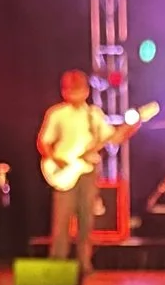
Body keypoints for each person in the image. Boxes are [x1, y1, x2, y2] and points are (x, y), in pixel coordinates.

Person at [36, 71, 110, 272]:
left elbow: (111, 137)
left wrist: (131, 127)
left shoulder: (94, 115)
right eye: (70, 91)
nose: (74, 95)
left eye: (78, 90)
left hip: (88, 171)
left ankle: (84, 263)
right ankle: (58, 262)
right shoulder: (56, 114)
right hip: (64, 171)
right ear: (64, 92)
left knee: (87, 218)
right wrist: (54, 159)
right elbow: (43, 142)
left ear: (86, 91)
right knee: (62, 218)